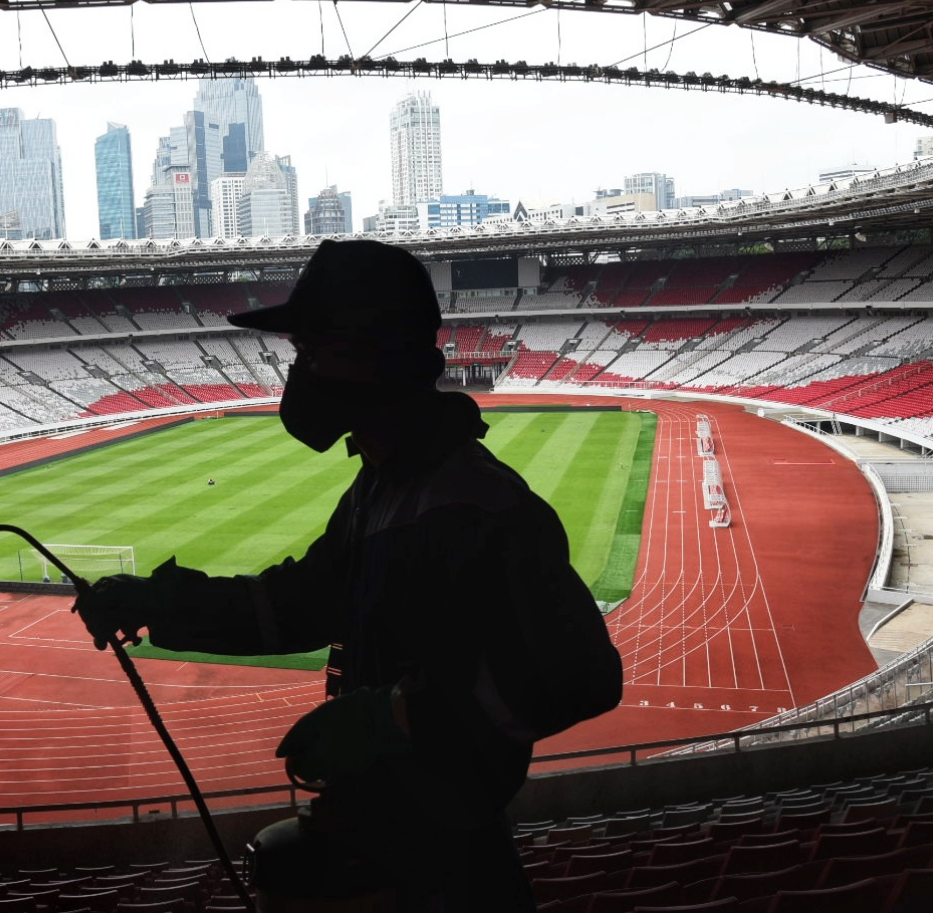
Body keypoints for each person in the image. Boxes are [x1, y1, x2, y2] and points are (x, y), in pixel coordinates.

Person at [75, 240, 618, 911]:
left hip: (447, 867)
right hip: (395, 838)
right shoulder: (380, 491)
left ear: (370, 356)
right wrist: (163, 602)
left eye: (307, 352)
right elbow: (297, 605)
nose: (296, 373)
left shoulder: (474, 503)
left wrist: (394, 716)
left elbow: (581, 677)